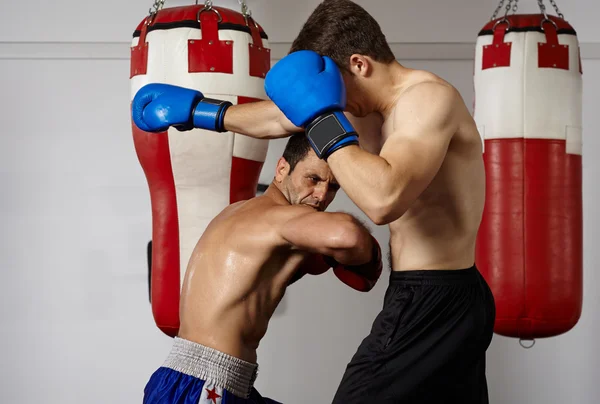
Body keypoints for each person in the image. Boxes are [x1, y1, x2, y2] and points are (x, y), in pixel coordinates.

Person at [132, 2, 495, 402]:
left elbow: (383, 200)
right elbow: (277, 119)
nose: (329, 102)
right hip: (443, 295)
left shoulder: (426, 100)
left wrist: (322, 113)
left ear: (359, 64)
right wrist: (201, 111)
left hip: (434, 296)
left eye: (332, 90)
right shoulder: (359, 108)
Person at [140, 134, 383, 404]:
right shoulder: (276, 218)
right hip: (203, 388)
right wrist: (365, 252)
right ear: (281, 169)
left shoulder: (239, 213)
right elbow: (349, 236)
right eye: (313, 179)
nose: (322, 195)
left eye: (334, 186)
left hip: (206, 382)